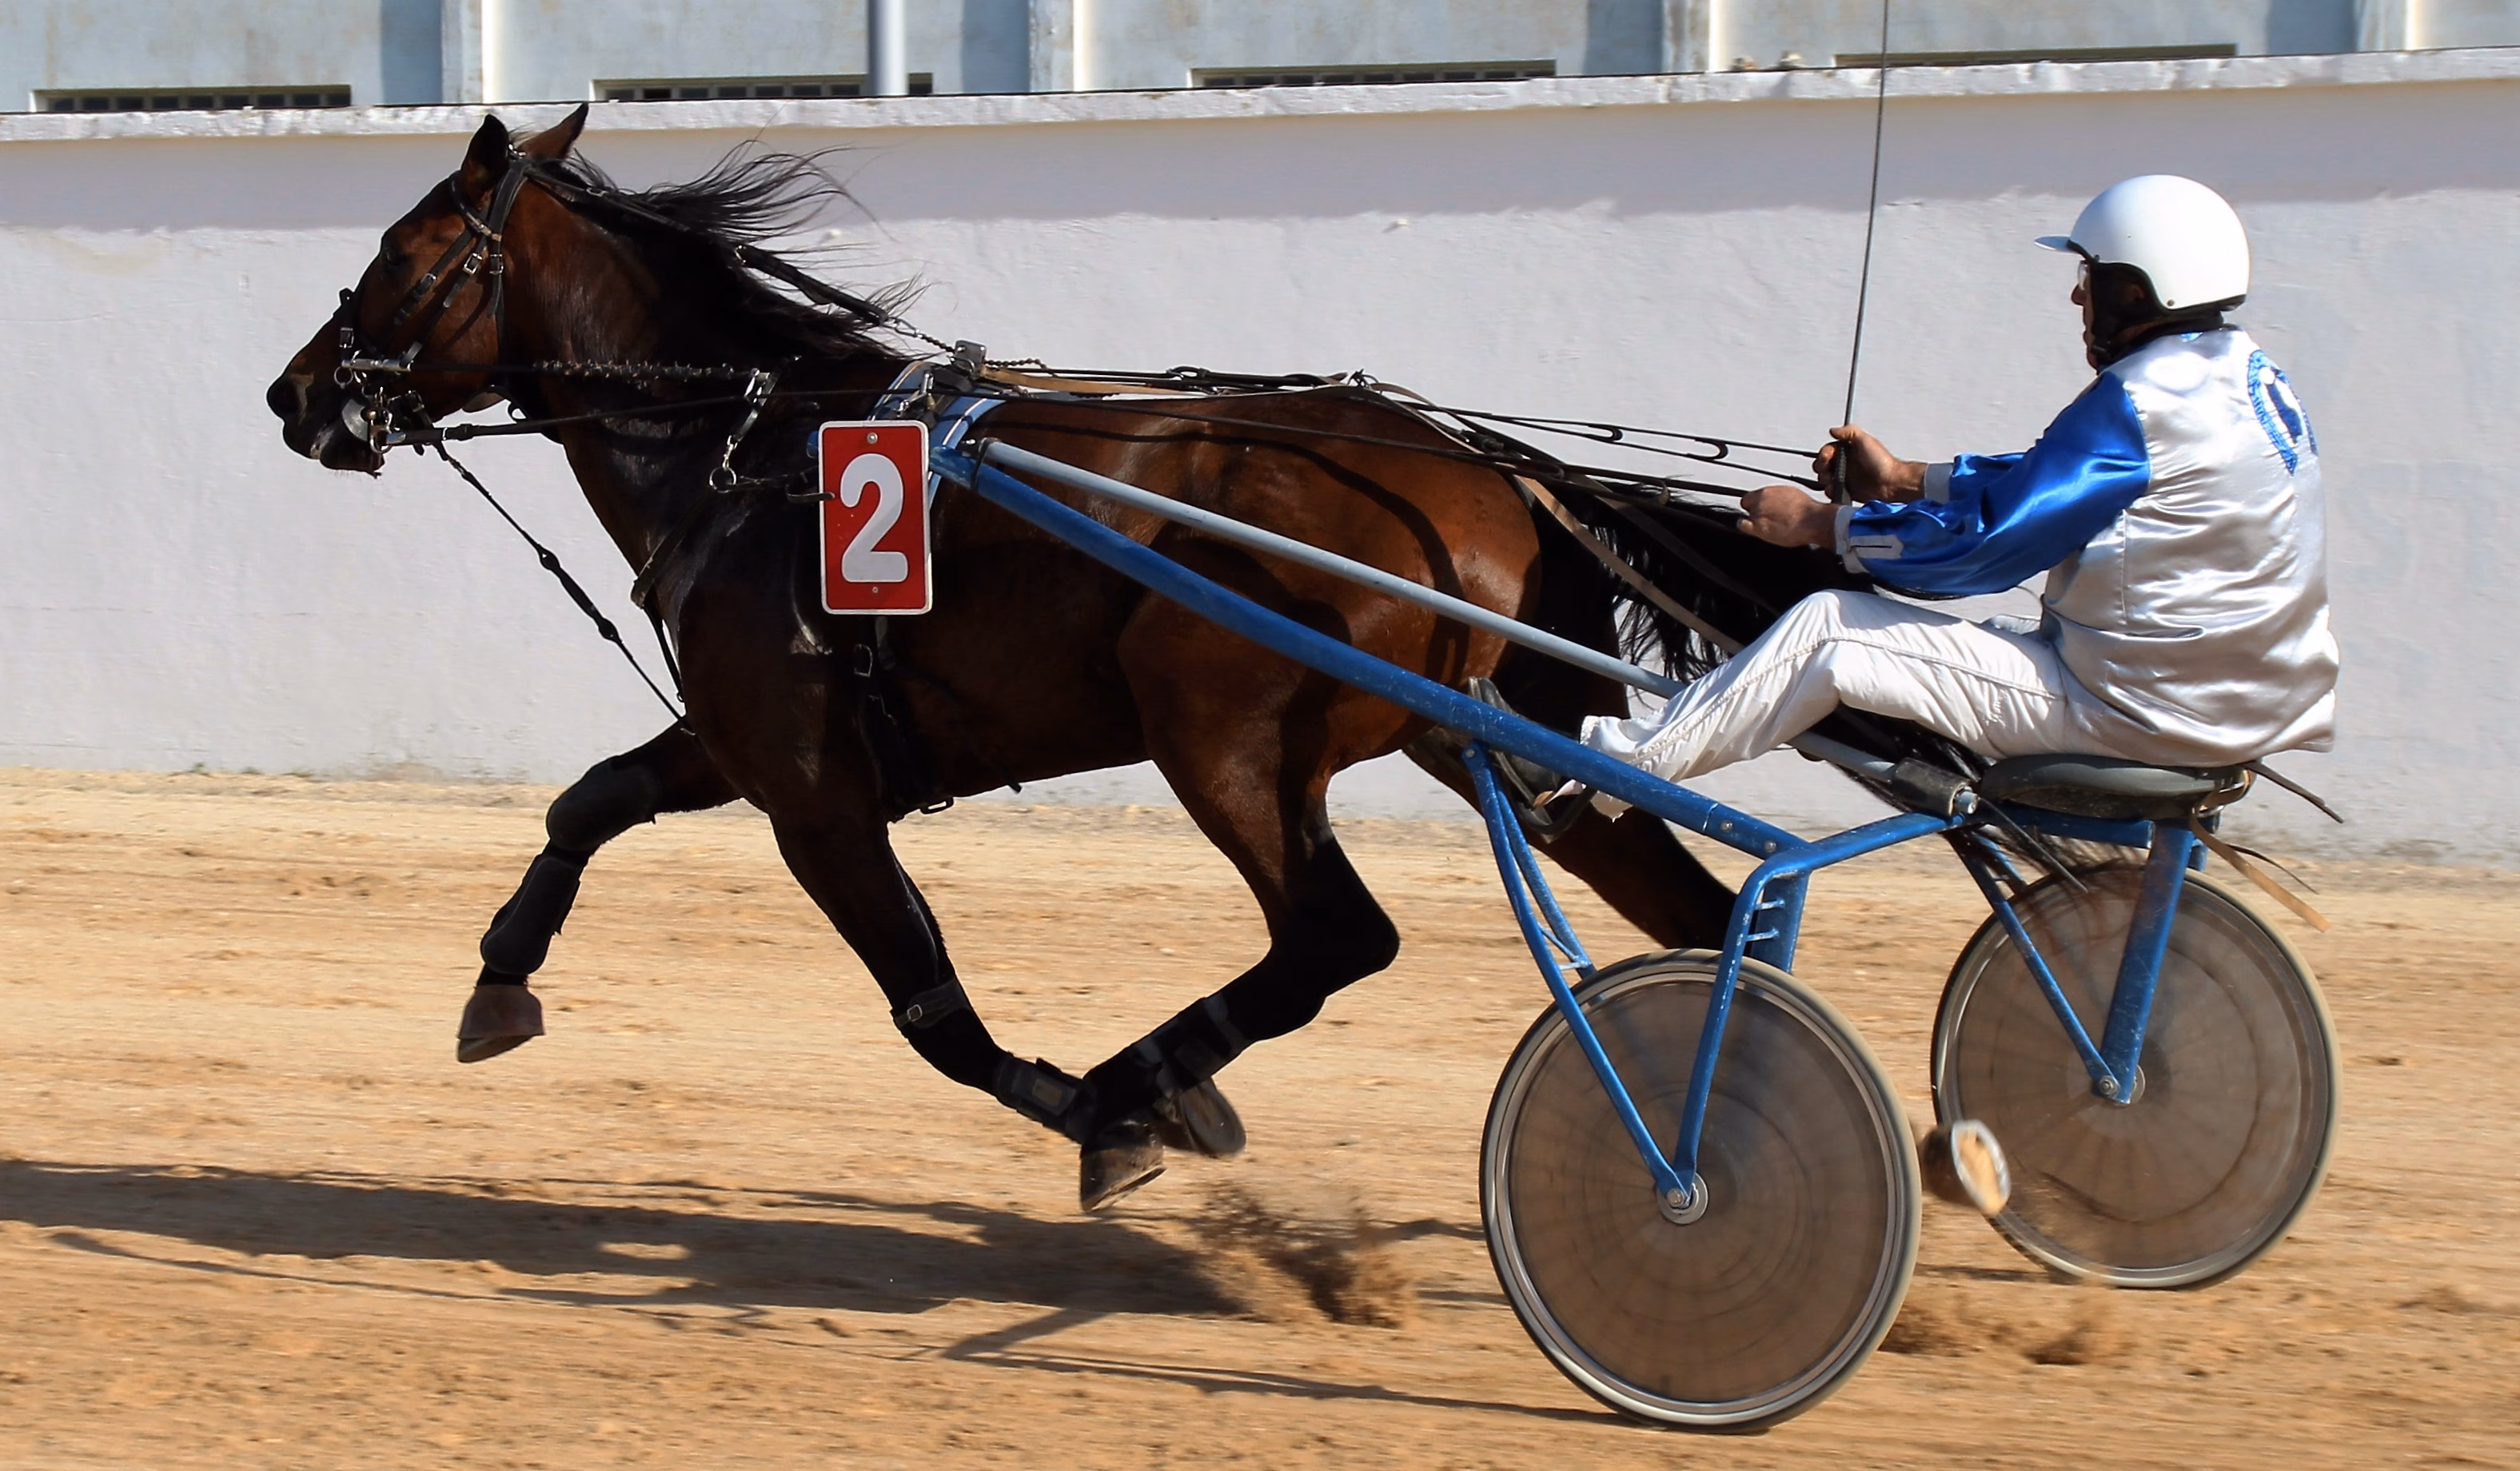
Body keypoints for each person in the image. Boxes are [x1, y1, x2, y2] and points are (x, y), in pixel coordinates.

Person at [1567, 174, 2337, 790]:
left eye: (2090, 274)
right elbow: (2052, 482)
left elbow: (1992, 549)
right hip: (2232, 701)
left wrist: (1822, 528)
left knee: (1830, 626)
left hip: (2140, 710)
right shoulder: (2244, 377)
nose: (2078, 295)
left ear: (2136, 291)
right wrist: (1905, 479)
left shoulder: (2139, 400)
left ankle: (1595, 770)